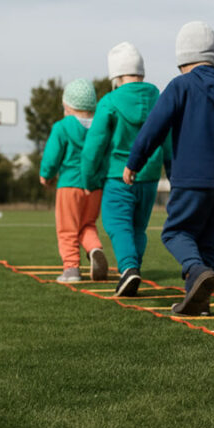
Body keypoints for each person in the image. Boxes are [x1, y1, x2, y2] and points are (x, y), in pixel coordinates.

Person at [125, 22, 214, 316]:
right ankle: (197, 301)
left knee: (175, 232)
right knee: (209, 241)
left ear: (181, 60)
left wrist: (134, 161)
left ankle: (195, 270)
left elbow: (154, 128)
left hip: (190, 178)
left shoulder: (181, 86)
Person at [81, 42, 171, 297]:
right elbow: (168, 138)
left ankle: (129, 269)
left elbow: (94, 145)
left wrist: (88, 178)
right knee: (137, 228)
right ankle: (133, 269)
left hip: (118, 176)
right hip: (151, 176)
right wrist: (171, 170)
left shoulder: (109, 101)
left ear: (116, 77)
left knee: (116, 223)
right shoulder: (158, 97)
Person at [39, 78, 109, 283]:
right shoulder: (100, 126)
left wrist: (46, 175)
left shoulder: (62, 127)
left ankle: (71, 268)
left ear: (67, 105)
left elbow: (52, 156)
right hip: (94, 186)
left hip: (69, 185)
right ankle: (94, 249)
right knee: (87, 224)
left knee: (67, 227)